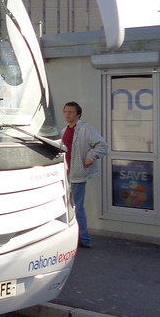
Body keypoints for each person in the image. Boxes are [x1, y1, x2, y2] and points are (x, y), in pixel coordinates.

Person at [61, 101, 107, 248]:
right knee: (66, 208)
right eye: (66, 112)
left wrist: (90, 157)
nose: (67, 114)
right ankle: (70, 238)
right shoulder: (64, 131)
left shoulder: (85, 129)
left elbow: (102, 145)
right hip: (65, 175)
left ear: (78, 114)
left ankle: (84, 239)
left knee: (77, 207)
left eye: (71, 112)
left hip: (78, 174)